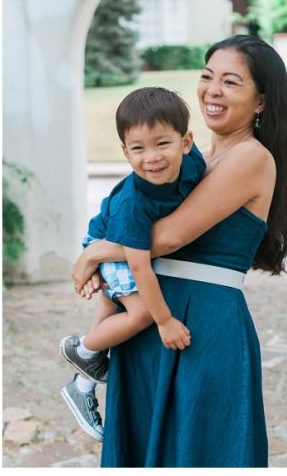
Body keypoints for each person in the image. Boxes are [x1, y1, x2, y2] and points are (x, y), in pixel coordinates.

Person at [71, 35, 287, 467]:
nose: (213, 91)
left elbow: (170, 236)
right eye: (207, 76)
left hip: (202, 326)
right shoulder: (190, 157)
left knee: (202, 447)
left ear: (260, 102)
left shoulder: (251, 157)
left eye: (231, 82)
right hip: (151, 323)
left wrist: (95, 252)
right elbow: (132, 213)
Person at [61, 87, 205, 442]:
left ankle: (82, 385)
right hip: (111, 243)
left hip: (122, 240)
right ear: (125, 153)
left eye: (162, 144)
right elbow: (139, 266)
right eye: (138, 148)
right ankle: (82, 350)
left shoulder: (195, 164)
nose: (151, 158)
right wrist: (165, 321)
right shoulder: (134, 203)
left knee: (112, 309)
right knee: (139, 313)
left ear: (187, 142)